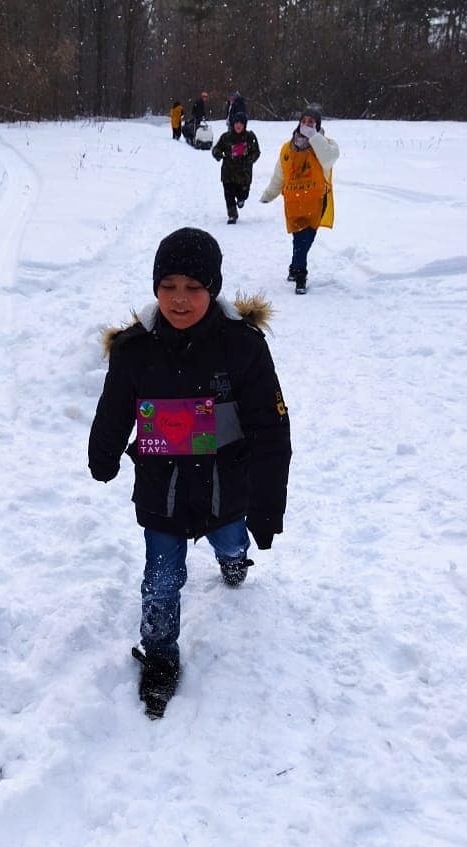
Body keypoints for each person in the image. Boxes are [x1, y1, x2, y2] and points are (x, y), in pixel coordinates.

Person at [88, 228, 292, 718]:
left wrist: (267, 508)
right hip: (162, 489)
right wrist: (104, 453)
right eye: (169, 286)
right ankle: (160, 656)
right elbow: (115, 406)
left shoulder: (242, 347)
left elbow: (271, 429)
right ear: (155, 287)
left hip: (225, 487)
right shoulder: (135, 349)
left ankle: (234, 559)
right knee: (160, 580)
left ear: (213, 289)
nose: (179, 299)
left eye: (193, 288)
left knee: (231, 541)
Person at [260, 104, 339, 294]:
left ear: (318, 124)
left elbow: (328, 159)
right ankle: (300, 275)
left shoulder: (327, 144)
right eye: (304, 121)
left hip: (316, 201)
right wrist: (269, 194)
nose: (307, 125)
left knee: (306, 238)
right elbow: (280, 175)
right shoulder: (287, 148)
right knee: (299, 239)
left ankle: (296, 267)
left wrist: (314, 137)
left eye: (311, 122)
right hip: (294, 202)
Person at [211, 111, 261, 224]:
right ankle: (232, 215)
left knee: (243, 194)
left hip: (244, 174)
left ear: (244, 125)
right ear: (233, 124)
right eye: (236, 123)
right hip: (228, 172)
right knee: (229, 195)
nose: (238, 125)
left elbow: (256, 152)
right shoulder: (226, 137)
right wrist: (218, 154)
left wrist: (249, 160)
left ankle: (241, 199)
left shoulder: (250, 137)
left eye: (241, 123)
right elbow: (216, 149)